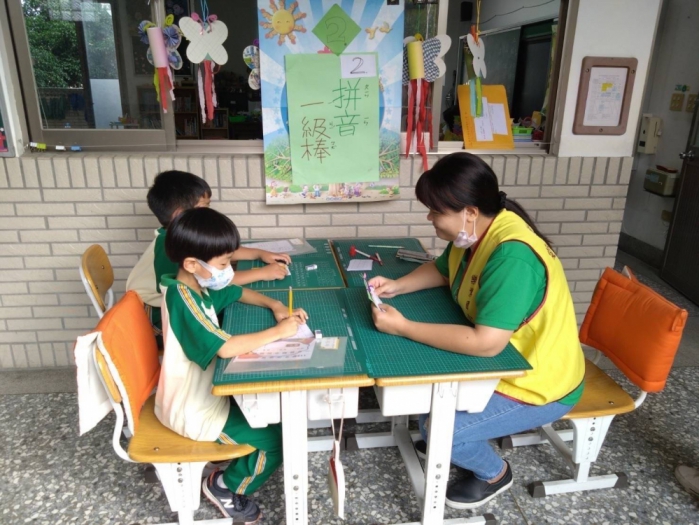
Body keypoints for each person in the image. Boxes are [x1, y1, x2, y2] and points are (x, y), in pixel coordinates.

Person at [368, 152, 585, 510]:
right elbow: (442, 270)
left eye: (435, 211)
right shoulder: (474, 234)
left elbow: (486, 344)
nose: (429, 217)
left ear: (469, 211)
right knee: (428, 411)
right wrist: (397, 286)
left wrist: (403, 327)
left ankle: (495, 473)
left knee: (439, 428)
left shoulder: (512, 256)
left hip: (540, 383)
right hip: (505, 366)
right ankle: (453, 441)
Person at [157, 207, 308, 523]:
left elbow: (234, 290)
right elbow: (225, 348)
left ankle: (227, 470)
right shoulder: (183, 299)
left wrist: (275, 305)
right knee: (277, 441)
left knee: (275, 417)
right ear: (192, 264)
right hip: (195, 412)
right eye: (224, 264)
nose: (228, 270)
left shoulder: (194, 286)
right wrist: (279, 332)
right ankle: (225, 487)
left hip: (207, 395)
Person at [126, 170, 291, 334]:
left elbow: (216, 254)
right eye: (203, 207)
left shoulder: (179, 236)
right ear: (180, 215)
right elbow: (216, 278)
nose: (208, 213)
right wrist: (262, 273)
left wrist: (258, 253)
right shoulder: (167, 248)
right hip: (156, 317)